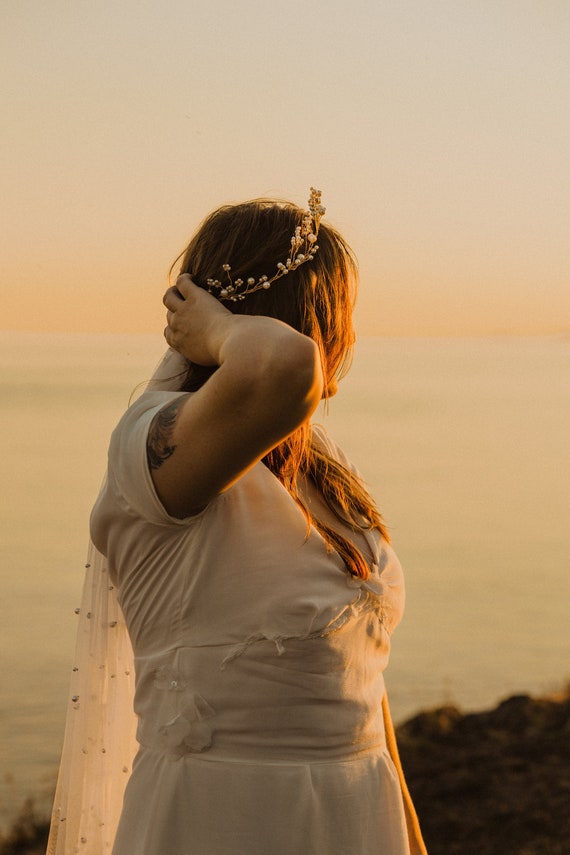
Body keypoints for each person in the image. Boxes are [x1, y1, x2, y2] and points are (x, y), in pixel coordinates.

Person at [47, 190, 426, 854]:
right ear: (300, 319)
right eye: (342, 312)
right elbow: (282, 368)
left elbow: (361, 678)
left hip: (358, 813)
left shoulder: (321, 465)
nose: (353, 337)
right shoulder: (158, 451)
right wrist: (218, 332)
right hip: (227, 818)